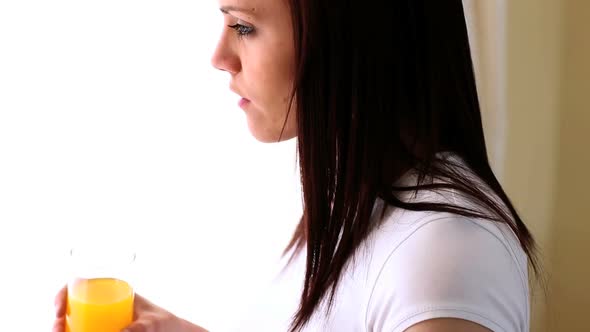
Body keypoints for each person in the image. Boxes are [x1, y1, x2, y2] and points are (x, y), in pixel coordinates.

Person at [53, 0, 540, 331]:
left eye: (244, 26)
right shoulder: (360, 201)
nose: (220, 57)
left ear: (350, 35)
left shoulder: (445, 255)